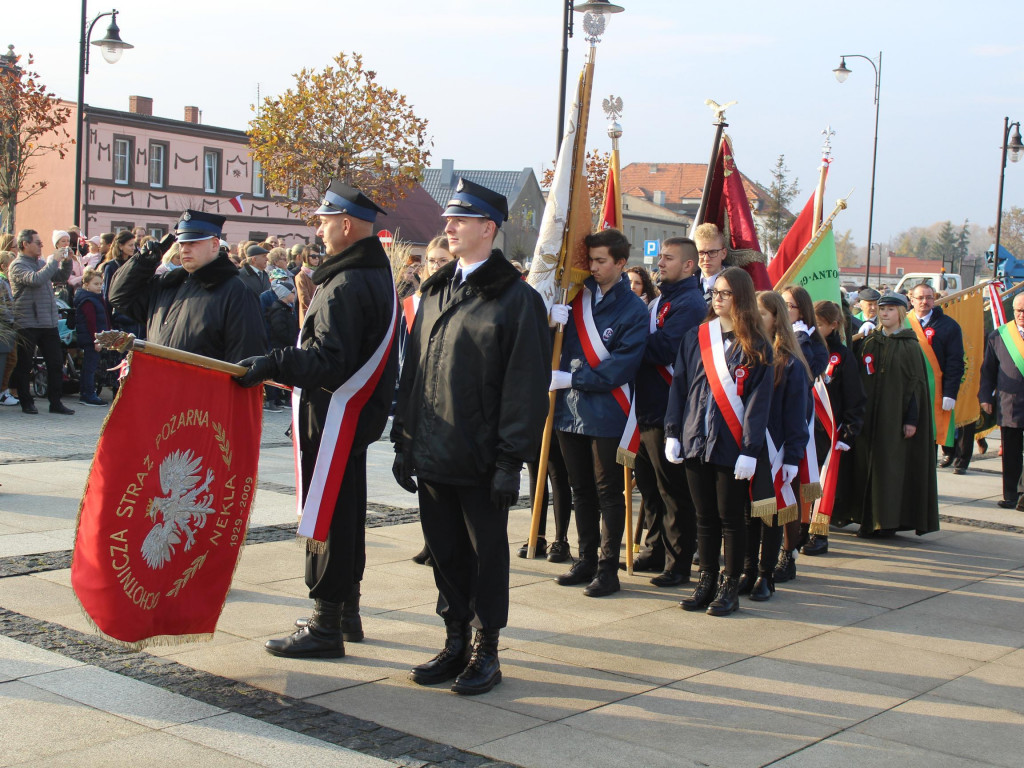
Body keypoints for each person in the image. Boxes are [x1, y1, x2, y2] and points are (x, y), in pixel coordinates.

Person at [391, 178, 550, 694]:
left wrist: (511, 461)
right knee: (445, 554)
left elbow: (525, 387)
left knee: (485, 558)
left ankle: (487, 650)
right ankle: (454, 638)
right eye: (448, 221)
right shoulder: (435, 290)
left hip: (481, 459)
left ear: (489, 228)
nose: (449, 228)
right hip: (434, 451)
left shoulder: (515, 298)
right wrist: (403, 439)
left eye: (461, 220)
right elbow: (413, 372)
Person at [237, 182, 399, 661]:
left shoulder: (348, 282)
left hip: (335, 417)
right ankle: (346, 612)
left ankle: (326, 624)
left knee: (330, 515)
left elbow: (328, 361)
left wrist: (275, 362)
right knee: (346, 514)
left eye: (325, 220)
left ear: (346, 226)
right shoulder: (370, 272)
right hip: (348, 418)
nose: (320, 228)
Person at [665, 267, 773, 617]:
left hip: (731, 444)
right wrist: (673, 431)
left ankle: (730, 585)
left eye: (725, 293)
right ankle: (706, 580)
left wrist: (750, 450)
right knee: (704, 516)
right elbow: (680, 386)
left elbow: (759, 404)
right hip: (696, 438)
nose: (718, 298)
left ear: (741, 297)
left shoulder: (757, 345)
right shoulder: (697, 337)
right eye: (716, 292)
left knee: (731, 518)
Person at [548, 228, 648, 598]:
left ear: (621, 263)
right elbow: (554, 344)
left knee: (608, 492)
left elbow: (621, 366)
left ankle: (608, 567)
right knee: (579, 489)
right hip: (569, 411)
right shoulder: (576, 298)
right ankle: (585, 558)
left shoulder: (634, 309)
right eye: (590, 260)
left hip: (607, 410)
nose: (593, 267)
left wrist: (570, 376)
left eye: (601, 261)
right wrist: (549, 320)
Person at [631, 237, 705, 587]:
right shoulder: (663, 300)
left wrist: (627, 342)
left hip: (667, 409)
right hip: (646, 407)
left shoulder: (689, 304)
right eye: (660, 257)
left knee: (673, 492)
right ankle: (654, 549)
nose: (660, 263)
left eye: (669, 258)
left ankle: (678, 563)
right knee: (650, 488)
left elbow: (665, 348)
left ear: (689, 265)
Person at [108, 211, 265, 362]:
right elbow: (119, 297)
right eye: (182, 244)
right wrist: (142, 263)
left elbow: (244, 359)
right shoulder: (169, 284)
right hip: (161, 383)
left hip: (203, 387)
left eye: (193, 243)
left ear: (214, 245)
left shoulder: (236, 291)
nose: (185, 249)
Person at [846, 292, 939, 536]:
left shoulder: (909, 345)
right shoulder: (868, 342)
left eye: (889, 309)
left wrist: (911, 420)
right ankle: (866, 519)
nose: (884, 313)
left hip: (893, 419)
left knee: (889, 469)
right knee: (864, 468)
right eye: (881, 309)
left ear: (900, 313)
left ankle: (886, 522)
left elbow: (916, 387)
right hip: (867, 419)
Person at [745, 291, 809, 602]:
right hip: (744, 447)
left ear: (776, 318)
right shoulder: (743, 351)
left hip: (773, 450)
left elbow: (797, 414)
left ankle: (765, 575)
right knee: (743, 515)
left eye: (763, 313)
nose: (756, 317)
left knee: (769, 515)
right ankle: (745, 569)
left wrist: (793, 456)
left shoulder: (790, 363)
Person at [401, 235, 453, 567]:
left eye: (442, 261)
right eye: (432, 261)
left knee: (441, 479)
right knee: (423, 476)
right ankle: (429, 540)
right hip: (415, 395)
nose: (435, 266)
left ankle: (444, 544)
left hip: (442, 403)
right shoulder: (414, 299)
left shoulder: (449, 297)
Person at [802, 300, 867, 555]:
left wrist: (850, 429)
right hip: (805, 427)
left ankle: (818, 534)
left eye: (820, 324)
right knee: (802, 482)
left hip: (828, 430)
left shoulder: (843, 357)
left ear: (834, 325)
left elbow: (854, 396)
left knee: (821, 485)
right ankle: (798, 528)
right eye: (813, 324)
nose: (816, 329)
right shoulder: (805, 349)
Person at [774, 284, 829, 582]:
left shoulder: (812, 342)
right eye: (781, 305)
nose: (785, 310)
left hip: (796, 421)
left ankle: (788, 552)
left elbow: (808, 371)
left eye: (790, 306)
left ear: (803, 311)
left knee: (790, 491)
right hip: (770, 421)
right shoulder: (772, 335)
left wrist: (801, 338)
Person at [9, 229, 74, 415]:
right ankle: (26, 402)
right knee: (24, 364)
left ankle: (56, 402)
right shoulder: (17, 265)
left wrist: (67, 261)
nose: (41, 245)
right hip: (27, 322)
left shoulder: (42, 263)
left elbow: (60, 277)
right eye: (37, 242)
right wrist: (54, 260)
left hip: (48, 322)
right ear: (25, 244)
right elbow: (36, 280)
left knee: (55, 363)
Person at [907, 282, 967, 473]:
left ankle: (926, 491)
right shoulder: (902, 322)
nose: (925, 302)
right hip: (906, 392)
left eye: (929, 297)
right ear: (911, 299)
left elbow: (955, 362)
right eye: (920, 298)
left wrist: (950, 392)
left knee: (928, 440)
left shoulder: (949, 326)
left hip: (935, 394)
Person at [979, 293, 1024, 509]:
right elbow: (988, 370)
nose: (1021, 315)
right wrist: (985, 396)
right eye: (1018, 311)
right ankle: (1011, 495)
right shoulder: (999, 336)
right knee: (1011, 452)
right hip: (1010, 402)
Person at [74, 268, 111, 407]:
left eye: (101, 283)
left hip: (97, 338)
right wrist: (97, 340)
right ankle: (88, 394)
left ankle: (87, 392)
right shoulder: (88, 300)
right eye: (96, 284)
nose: (99, 286)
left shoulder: (96, 298)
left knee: (91, 366)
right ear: (86, 284)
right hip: (92, 340)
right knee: (90, 367)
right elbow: (91, 322)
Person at [693, 222, 729, 304]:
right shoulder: (687, 283)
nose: (706, 258)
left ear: (723, 253)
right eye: (701, 252)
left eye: (712, 252)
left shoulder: (734, 285)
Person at [0, 251, 18, 407]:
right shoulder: (1, 282)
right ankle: (3, 392)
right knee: (9, 359)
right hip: (5, 326)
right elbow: (4, 305)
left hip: (9, 325)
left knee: (11, 359)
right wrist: (12, 319)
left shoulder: (7, 282)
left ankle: (3, 390)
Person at [295, 248, 320, 327]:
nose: (316, 259)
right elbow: (304, 298)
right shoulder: (301, 275)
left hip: (319, 315)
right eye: (313, 256)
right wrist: (317, 309)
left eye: (318, 256)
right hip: (308, 315)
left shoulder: (319, 273)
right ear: (305, 257)